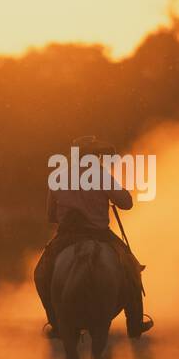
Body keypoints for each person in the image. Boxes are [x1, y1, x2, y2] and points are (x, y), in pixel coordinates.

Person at [33, 136, 153, 339]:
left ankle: (55, 322)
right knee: (132, 269)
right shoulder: (100, 176)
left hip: (67, 236)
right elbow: (126, 203)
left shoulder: (58, 177)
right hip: (99, 234)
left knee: (41, 273)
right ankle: (134, 323)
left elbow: (51, 216)